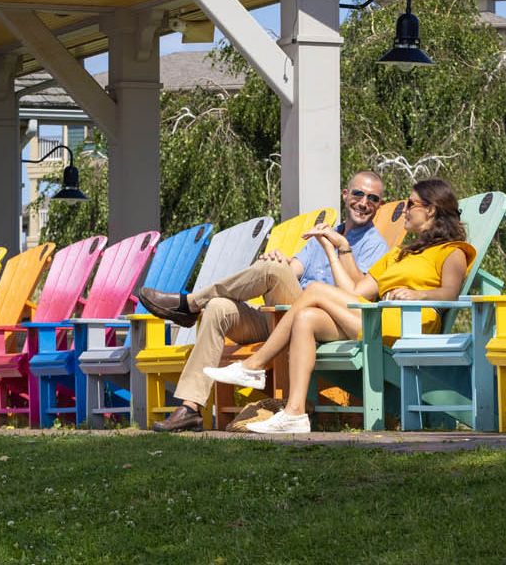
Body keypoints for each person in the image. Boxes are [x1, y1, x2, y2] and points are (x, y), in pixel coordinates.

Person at [206, 178, 475, 434]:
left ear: (430, 210)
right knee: (306, 319)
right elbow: (356, 290)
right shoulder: (400, 253)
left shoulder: (452, 251)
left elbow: (449, 295)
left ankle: (255, 365)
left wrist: (416, 296)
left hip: (407, 327)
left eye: (410, 203)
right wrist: (336, 248)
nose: (404, 209)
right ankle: (295, 413)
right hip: (375, 320)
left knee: (313, 290)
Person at [139, 171, 390, 432]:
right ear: (345, 194)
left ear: (379, 205)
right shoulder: (323, 234)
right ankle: (190, 408)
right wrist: (277, 262)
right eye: (358, 194)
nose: (364, 203)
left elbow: (356, 294)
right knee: (218, 308)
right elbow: (294, 269)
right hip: (280, 316)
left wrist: (337, 249)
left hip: (319, 320)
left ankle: (190, 303)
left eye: (372, 198)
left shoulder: (375, 245)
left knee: (270, 274)